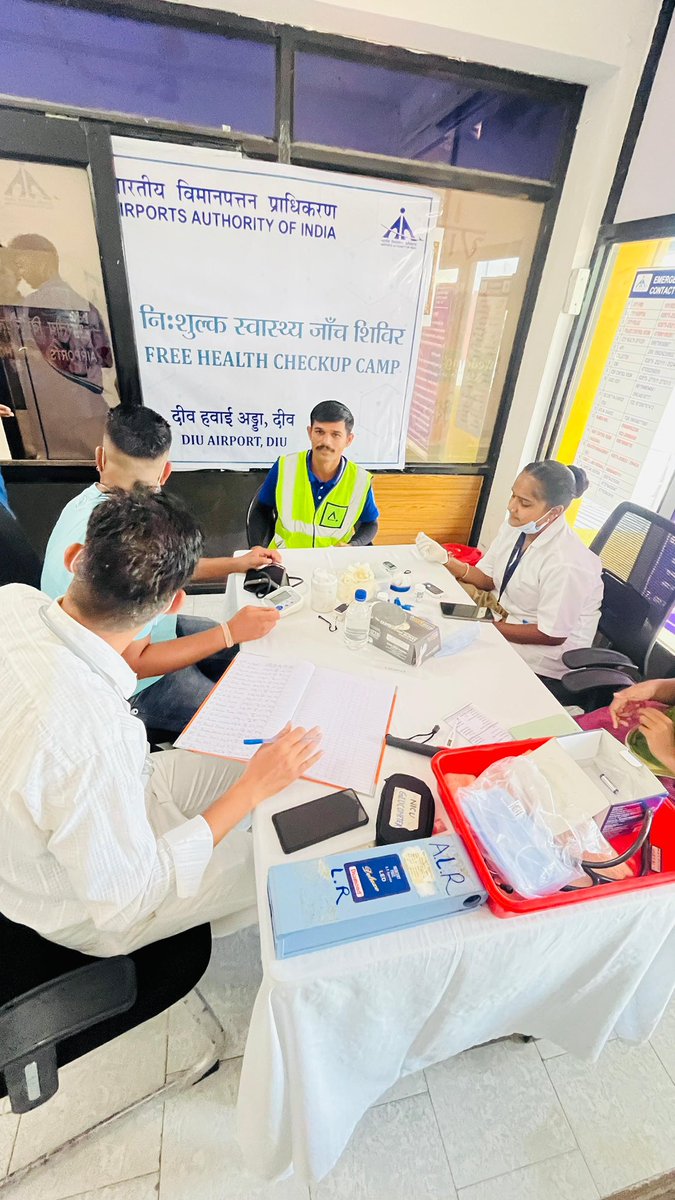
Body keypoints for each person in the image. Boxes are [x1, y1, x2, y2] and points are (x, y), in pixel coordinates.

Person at [0, 487, 321, 956]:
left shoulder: (14, 601)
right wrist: (249, 792)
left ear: (74, 557)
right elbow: (132, 896)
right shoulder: (92, 738)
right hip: (89, 903)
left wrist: (252, 779)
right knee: (281, 858)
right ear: (175, 603)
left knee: (258, 764)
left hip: (104, 794)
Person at [42, 405, 283, 733]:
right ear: (165, 473)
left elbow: (159, 565)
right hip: (132, 683)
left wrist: (236, 564)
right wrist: (227, 632)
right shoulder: (124, 543)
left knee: (247, 653)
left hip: (146, 635)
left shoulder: (85, 507)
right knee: (240, 722)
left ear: (100, 459)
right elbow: (135, 663)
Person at [417, 461, 603, 700]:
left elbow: (551, 634)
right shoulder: (516, 527)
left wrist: (485, 629)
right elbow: (487, 580)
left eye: (524, 503)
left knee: (450, 674)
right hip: (505, 619)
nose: (511, 507)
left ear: (555, 512)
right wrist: (446, 560)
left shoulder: (567, 562)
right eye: (513, 496)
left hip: (542, 660)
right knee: (432, 622)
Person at [8, 233, 113, 459]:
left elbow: (23, 364)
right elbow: (105, 360)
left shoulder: (31, 305)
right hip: (93, 414)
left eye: (22, 265)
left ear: (43, 261)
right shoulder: (87, 307)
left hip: (56, 421)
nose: (21, 274)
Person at [257, 399, 379, 549]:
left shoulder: (359, 480)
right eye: (319, 432)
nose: (326, 441)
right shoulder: (285, 467)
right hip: (284, 559)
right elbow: (261, 509)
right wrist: (257, 547)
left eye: (335, 435)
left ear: (348, 440)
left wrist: (353, 545)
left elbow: (369, 523)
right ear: (310, 433)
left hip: (333, 564)